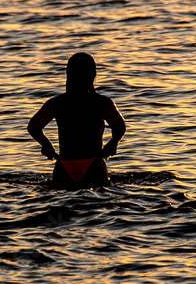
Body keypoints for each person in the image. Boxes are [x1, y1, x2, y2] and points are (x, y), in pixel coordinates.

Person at [27, 52, 126, 188]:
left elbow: (33, 126)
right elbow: (120, 127)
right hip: (93, 164)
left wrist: (46, 145)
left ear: (68, 74)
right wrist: (113, 143)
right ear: (93, 75)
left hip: (65, 165)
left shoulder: (57, 103)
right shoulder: (101, 103)